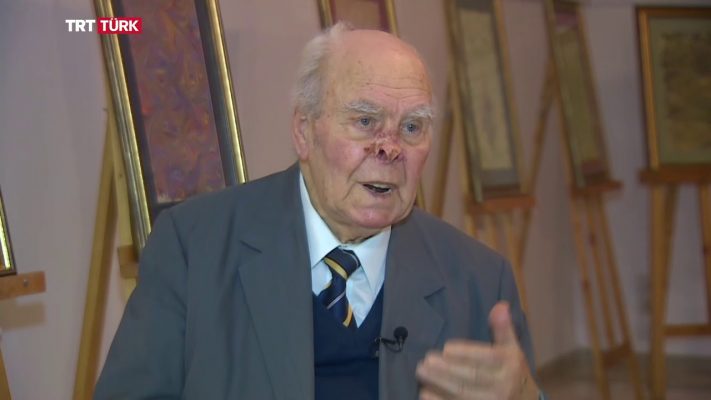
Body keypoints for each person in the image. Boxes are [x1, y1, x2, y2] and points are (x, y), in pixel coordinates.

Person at [95, 22, 543, 400]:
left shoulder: (480, 280)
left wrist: (525, 396)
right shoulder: (193, 249)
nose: (389, 148)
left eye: (412, 127)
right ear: (303, 131)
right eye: (365, 121)